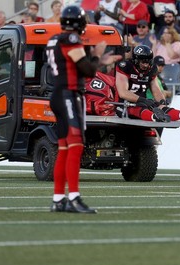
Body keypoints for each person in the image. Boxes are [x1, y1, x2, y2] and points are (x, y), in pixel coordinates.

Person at [47, 5, 122, 213]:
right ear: (79, 24)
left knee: (63, 148)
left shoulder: (53, 40)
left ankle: (58, 198)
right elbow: (87, 71)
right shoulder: (70, 39)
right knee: (76, 145)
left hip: (58, 95)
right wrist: (99, 57)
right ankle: (74, 198)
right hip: (70, 95)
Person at [115, 45, 180, 122]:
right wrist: (143, 100)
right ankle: (155, 117)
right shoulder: (125, 66)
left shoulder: (152, 69)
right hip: (124, 104)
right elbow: (123, 93)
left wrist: (162, 102)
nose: (146, 65)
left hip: (142, 102)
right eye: (143, 62)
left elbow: (156, 89)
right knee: (137, 108)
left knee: (161, 107)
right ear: (136, 60)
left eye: (148, 62)